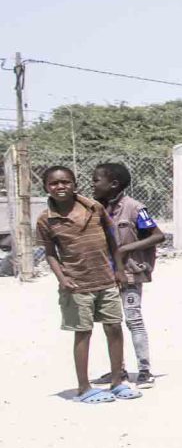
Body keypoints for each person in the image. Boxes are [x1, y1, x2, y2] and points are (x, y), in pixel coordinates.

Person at [35, 165, 136, 403]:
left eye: (65, 182)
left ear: (74, 184)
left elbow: (113, 241)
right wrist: (62, 278)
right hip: (76, 284)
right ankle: (83, 387)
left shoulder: (95, 208)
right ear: (46, 188)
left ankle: (117, 382)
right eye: (54, 183)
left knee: (114, 327)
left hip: (106, 280)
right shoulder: (45, 219)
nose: (60, 187)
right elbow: (50, 253)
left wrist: (119, 270)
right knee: (83, 332)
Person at [93, 162, 165, 387]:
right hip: (105, 274)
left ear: (113, 184)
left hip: (130, 273)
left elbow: (157, 235)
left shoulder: (135, 208)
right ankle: (118, 370)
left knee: (133, 319)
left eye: (97, 180)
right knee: (111, 322)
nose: (93, 184)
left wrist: (124, 250)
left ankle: (144, 370)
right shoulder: (95, 208)